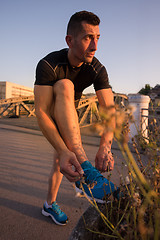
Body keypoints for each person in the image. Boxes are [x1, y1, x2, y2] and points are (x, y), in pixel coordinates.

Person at [34, 10, 119, 226]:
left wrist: (105, 147)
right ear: (69, 40)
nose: (95, 46)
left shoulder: (97, 69)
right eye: (88, 38)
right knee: (65, 84)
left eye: (97, 38)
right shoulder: (49, 64)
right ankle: (87, 172)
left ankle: (49, 205)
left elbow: (109, 110)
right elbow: (42, 112)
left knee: (59, 162)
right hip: (52, 111)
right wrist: (64, 149)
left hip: (69, 113)